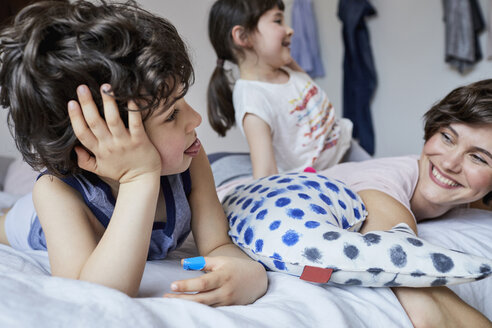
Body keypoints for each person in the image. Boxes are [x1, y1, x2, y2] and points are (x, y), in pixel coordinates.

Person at [0, 0, 267, 305]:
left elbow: (217, 244)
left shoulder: (191, 160)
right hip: (28, 221)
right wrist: (138, 177)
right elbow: (94, 295)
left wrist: (249, 272)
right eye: (171, 115)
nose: (196, 119)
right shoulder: (57, 193)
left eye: (183, 101)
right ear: (97, 139)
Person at [217, 79, 492, 326]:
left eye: (478, 158)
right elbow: (396, 260)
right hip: (240, 188)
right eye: (447, 137)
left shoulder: (473, 197)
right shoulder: (386, 181)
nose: (449, 162)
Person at [206, 0, 369, 179]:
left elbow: (311, 91)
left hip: (347, 146)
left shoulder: (287, 67)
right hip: (322, 174)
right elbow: (265, 173)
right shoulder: (252, 99)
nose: (290, 29)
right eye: (278, 21)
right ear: (243, 37)